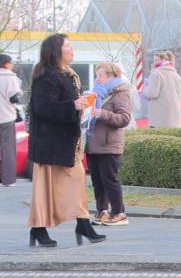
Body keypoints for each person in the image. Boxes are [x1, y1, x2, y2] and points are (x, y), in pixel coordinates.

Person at [26, 34, 105, 247]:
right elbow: (43, 108)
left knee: (76, 180)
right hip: (49, 143)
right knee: (45, 188)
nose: (72, 49)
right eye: (67, 46)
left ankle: (82, 222)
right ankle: (39, 228)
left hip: (65, 142)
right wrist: (73, 105)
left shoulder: (67, 75)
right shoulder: (46, 76)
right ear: (56, 51)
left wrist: (80, 106)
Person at [86, 63, 133, 226]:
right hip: (93, 143)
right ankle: (102, 210)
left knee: (110, 179)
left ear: (112, 76)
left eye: (101, 76)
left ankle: (119, 212)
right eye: (96, 76)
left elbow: (124, 119)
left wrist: (103, 113)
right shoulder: (95, 94)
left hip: (109, 144)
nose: (97, 79)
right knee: (97, 180)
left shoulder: (120, 93)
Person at [142, 50, 181, 128]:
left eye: (156, 60)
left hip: (158, 119)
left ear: (163, 60)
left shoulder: (156, 74)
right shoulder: (178, 77)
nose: (153, 62)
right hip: (174, 119)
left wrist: (144, 89)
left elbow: (152, 93)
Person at [0, 54, 22, 186]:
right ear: (6, 63)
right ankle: (8, 180)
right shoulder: (10, 77)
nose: (12, 64)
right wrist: (20, 93)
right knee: (8, 149)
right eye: (10, 62)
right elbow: (14, 97)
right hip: (6, 116)